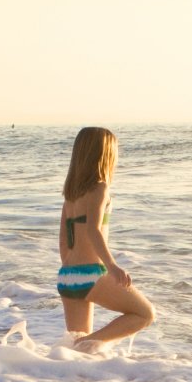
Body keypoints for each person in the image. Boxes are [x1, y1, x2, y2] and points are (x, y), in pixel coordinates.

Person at [57, 127, 153, 353]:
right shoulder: (100, 188)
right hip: (91, 274)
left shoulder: (70, 195)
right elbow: (93, 230)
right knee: (145, 314)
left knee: (77, 351)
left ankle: (68, 381)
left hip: (68, 276)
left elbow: (63, 240)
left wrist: (69, 270)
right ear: (106, 154)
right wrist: (112, 266)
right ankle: (85, 343)